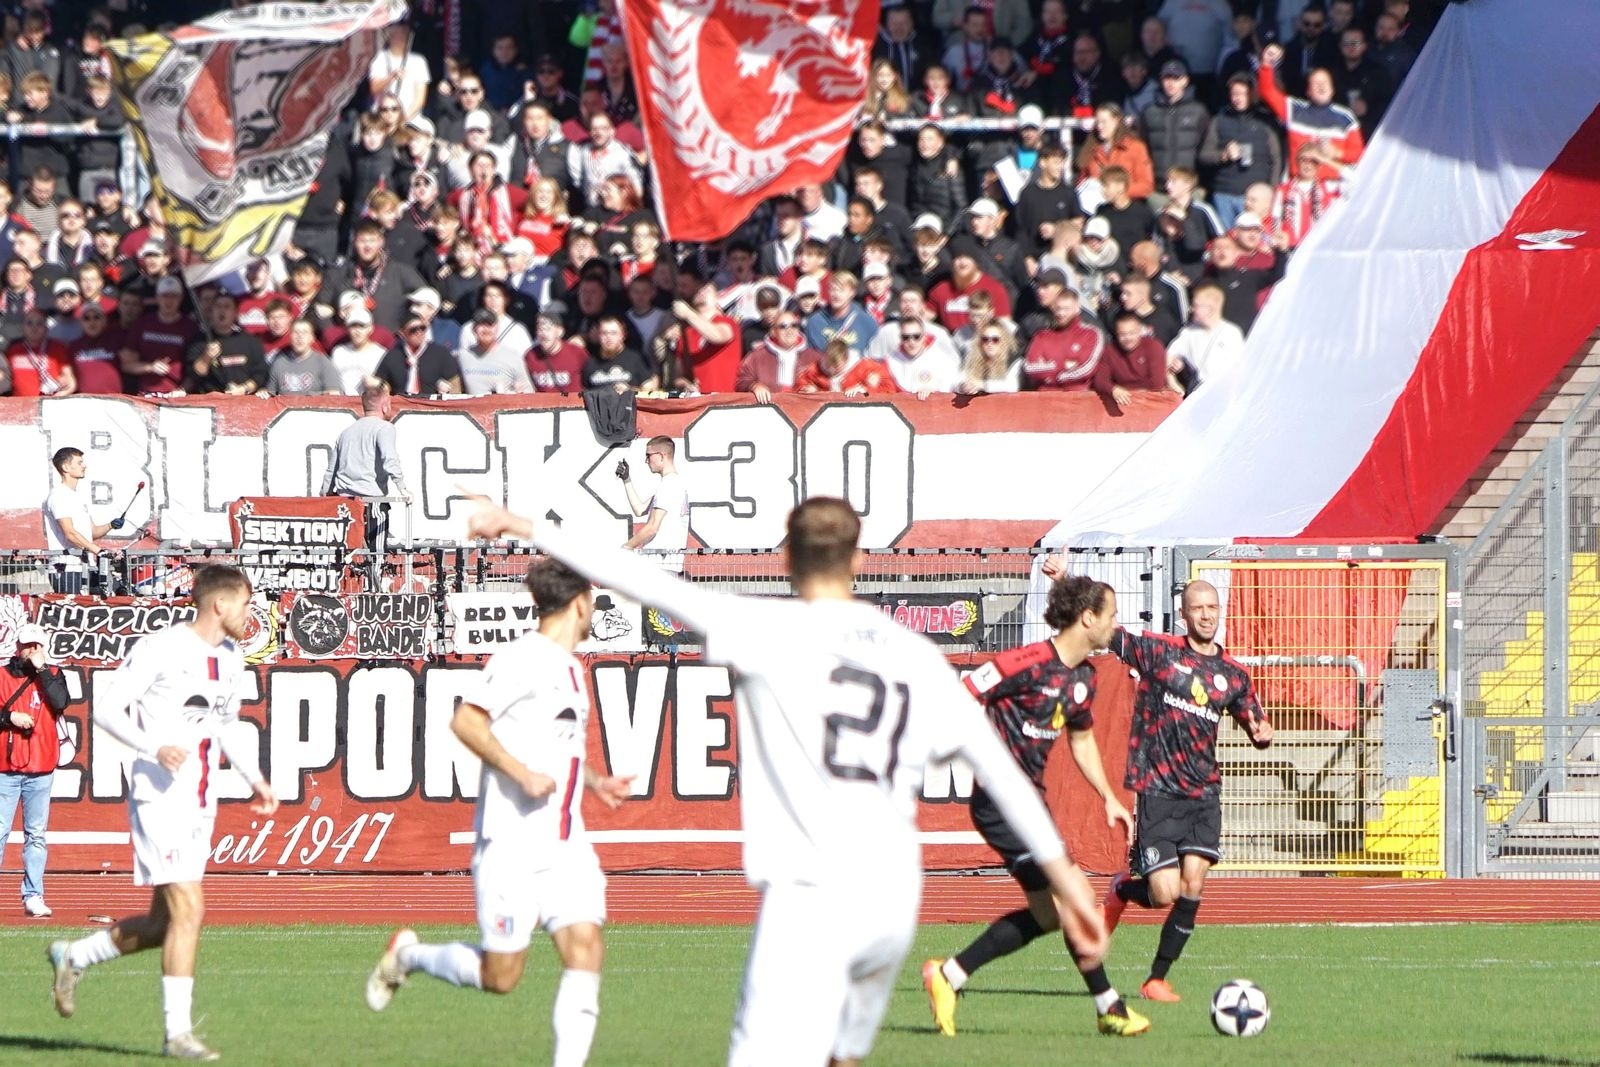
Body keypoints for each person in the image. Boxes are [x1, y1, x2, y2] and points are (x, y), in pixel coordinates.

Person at [462, 495, 1110, 1067]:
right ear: (858, 560)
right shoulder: (914, 653)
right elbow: (997, 767)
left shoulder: (761, 627)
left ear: (786, 558)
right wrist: (1067, 882)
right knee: (841, 1056)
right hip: (893, 895)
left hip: (810, 894)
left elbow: (633, 575)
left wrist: (520, 523)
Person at [365, 557, 632, 1067]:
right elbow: (466, 721)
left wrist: (597, 782)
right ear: (580, 604)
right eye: (593, 602)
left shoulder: (571, 669)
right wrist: (521, 774)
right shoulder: (523, 658)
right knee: (501, 976)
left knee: (586, 948)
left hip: (565, 844)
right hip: (511, 842)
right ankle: (409, 955)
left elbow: (559, 748)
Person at [47, 565, 280, 1062]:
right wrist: (154, 747)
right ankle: (177, 1035)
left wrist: (255, 778)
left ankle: (75, 955)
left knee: (162, 924)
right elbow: (107, 709)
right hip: (159, 796)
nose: (250, 612)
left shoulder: (231, 656)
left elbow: (225, 727)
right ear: (220, 603)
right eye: (245, 602)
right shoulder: (163, 647)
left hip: (200, 800)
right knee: (191, 909)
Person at [922, 576, 1146, 1037]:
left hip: (1030, 807)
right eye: (1111, 615)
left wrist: (1108, 796)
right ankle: (1111, 1007)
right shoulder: (1023, 663)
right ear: (1088, 618)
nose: (1115, 624)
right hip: (1000, 803)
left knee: (1048, 915)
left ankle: (949, 975)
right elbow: (960, 695)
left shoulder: (1083, 679)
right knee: (1076, 899)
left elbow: (1081, 741)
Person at [1091, 578, 1273, 1003]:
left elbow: (1255, 721)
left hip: (1203, 795)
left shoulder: (1233, 675)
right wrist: (1064, 582)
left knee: (1193, 885)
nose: (1207, 615)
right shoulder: (1160, 653)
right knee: (1163, 893)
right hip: (1158, 789)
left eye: (1212, 607)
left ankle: (1156, 979)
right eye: (1198, 608)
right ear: (1184, 614)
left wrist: (1262, 733)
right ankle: (1122, 890)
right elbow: (1107, 634)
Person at [0, 622, 70, 918]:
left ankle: (33, 895)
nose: (32, 651)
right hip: (5, 768)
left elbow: (61, 702)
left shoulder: (52, 674)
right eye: (27, 646)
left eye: (36, 646)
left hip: (41, 767)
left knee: (36, 834)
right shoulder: (2, 675)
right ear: (18, 648)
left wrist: (42, 670)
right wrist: (9, 717)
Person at [44, 446, 117, 594]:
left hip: (86, 565)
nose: (84, 466)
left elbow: (92, 532)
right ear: (66, 467)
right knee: (73, 608)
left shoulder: (77, 497)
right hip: (67, 567)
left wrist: (110, 525)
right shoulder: (59, 495)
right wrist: (97, 550)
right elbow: (70, 533)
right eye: (79, 462)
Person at [617, 435, 688, 570]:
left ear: (661, 456)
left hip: (660, 564)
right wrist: (626, 479)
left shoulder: (669, 485)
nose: (646, 461)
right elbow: (640, 510)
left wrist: (626, 547)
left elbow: (652, 527)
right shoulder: (673, 484)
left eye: (648, 455)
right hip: (666, 565)